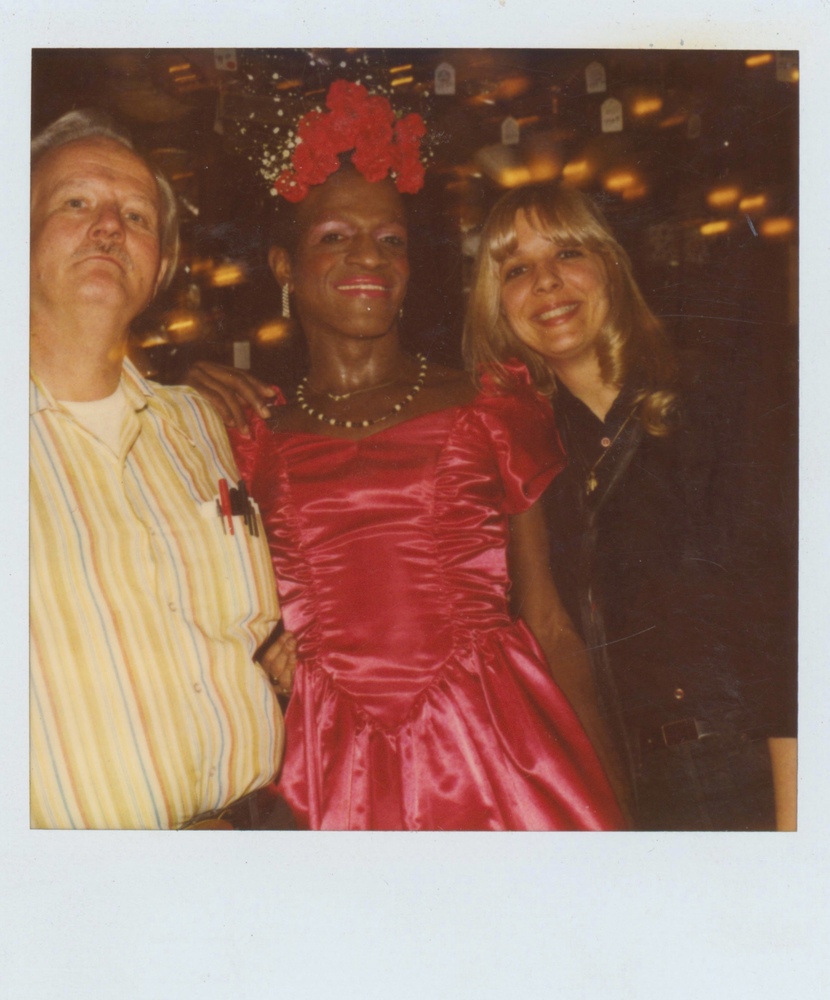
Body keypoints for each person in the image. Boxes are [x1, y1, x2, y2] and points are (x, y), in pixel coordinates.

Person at [187, 81, 624, 830]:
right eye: (334, 237)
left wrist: (619, 815)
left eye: (391, 239)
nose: (370, 257)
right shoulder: (246, 436)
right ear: (283, 266)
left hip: (498, 757)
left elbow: (549, 619)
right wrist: (182, 382)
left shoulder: (491, 401)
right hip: (325, 774)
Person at [463, 182, 797, 831]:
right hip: (628, 797)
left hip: (747, 774)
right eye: (518, 269)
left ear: (610, 265)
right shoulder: (526, 461)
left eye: (567, 253)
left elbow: (786, 623)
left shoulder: (711, 402)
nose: (548, 283)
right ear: (497, 307)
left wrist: (796, 828)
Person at [29, 109, 296, 830]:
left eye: (137, 215)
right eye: (75, 203)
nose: (110, 226)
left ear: (163, 264)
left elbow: (255, 625)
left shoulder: (200, 424)